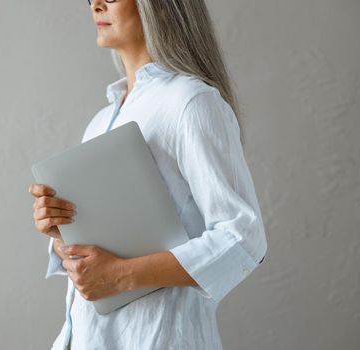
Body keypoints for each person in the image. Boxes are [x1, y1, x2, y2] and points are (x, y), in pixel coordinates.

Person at [28, 0, 267, 349]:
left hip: (160, 338)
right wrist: (61, 229)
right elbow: (103, 253)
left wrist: (120, 276)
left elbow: (243, 238)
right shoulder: (101, 122)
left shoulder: (191, 102)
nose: (95, 5)